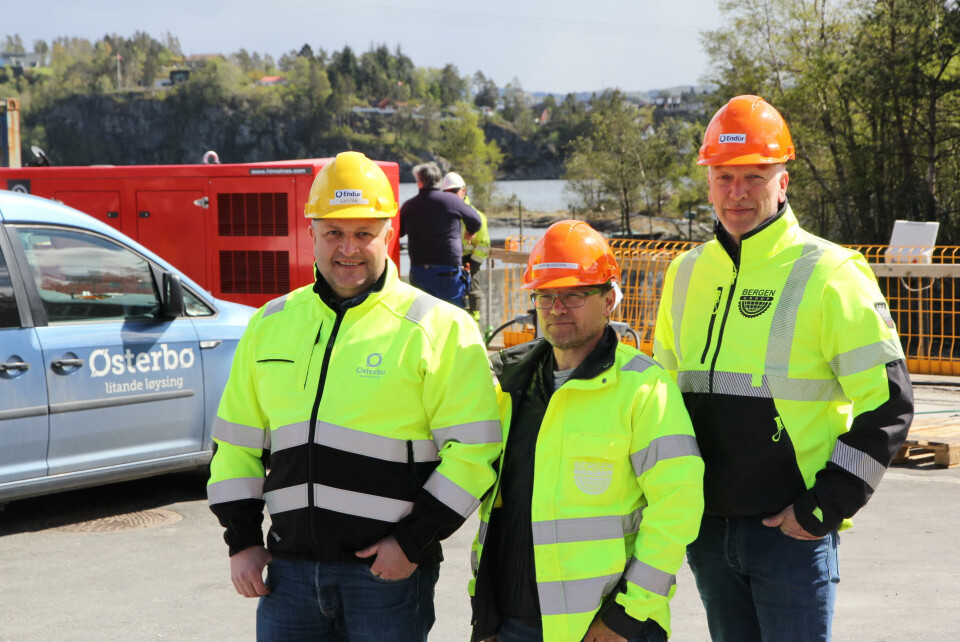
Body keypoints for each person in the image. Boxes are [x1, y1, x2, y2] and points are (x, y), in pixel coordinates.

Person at [207, 151, 502, 642]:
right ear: (312, 234)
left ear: (389, 234)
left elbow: (475, 451)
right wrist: (241, 540)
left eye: (364, 233)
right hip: (289, 576)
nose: (348, 248)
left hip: (387, 576)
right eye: (334, 233)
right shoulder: (270, 323)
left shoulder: (441, 327)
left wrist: (412, 542)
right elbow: (235, 444)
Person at [653, 95, 914, 641]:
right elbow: (660, 401)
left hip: (791, 535)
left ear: (783, 182)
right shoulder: (684, 274)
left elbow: (889, 405)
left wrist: (825, 507)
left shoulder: (832, 272)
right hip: (706, 532)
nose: (738, 192)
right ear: (709, 184)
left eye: (755, 176)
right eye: (724, 177)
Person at [470, 220, 705, 642]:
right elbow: (496, 511)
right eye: (545, 296)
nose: (557, 308)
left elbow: (678, 508)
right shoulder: (509, 386)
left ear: (609, 299)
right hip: (512, 622)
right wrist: (485, 614)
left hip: (607, 626)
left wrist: (628, 615)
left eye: (574, 295)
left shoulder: (645, 388)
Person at [400, 162, 483, 308]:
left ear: (419, 183)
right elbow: (476, 221)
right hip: (448, 272)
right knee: (452, 313)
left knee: (422, 314)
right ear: (439, 181)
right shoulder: (452, 201)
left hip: (420, 271)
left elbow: (399, 232)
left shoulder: (409, 206)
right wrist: (470, 232)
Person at [441, 171, 491, 324]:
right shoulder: (442, 214)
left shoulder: (475, 215)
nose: (450, 196)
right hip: (450, 260)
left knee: (472, 287)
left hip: (469, 259)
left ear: (463, 191)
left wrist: (473, 262)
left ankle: (474, 318)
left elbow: (484, 244)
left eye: (454, 192)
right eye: (447, 192)